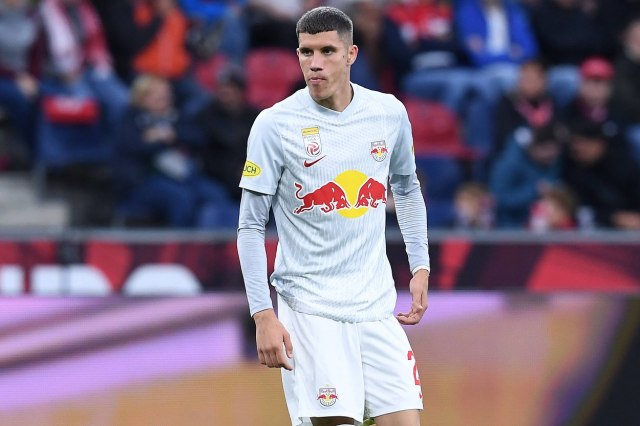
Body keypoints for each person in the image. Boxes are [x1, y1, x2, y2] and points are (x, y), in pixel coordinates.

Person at [237, 7, 429, 426]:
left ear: (351, 54)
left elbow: (407, 187)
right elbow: (250, 226)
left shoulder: (388, 112)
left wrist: (420, 265)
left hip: (375, 307)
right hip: (311, 309)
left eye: (327, 51)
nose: (315, 63)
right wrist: (262, 314)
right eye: (306, 52)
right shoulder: (275, 124)